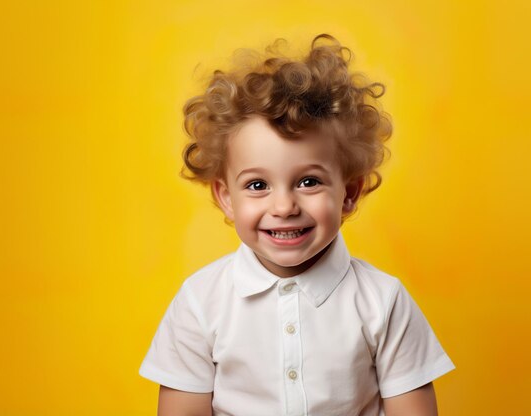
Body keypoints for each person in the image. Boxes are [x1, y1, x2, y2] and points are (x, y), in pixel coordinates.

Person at [139, 34, 455, 416]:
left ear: (349, 193)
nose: (285, 206)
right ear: (226, 197)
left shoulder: (383, 303)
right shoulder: (200, 302)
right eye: (257, 185)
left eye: (309, 181)